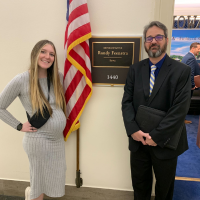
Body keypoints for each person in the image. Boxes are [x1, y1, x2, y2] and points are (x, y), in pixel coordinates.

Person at [122, 21, 191, 200]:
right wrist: (133, 131)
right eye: (150, 38)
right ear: (145, 42)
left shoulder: (182, 71)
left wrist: (157, 137)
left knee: (164, 189)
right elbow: (126, 102)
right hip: (138, 141)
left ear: (166, 40)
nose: (154, 41)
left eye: (158, 37)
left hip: (165, 142)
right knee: (139, 186)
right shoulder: (135, 70)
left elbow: (180, 109)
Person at [0, 40, 67, 200]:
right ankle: (33, 195)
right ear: (35, 54)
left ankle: (31, 194)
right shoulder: (22, 79)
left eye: (52, 54)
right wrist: (18, 125)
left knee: (53, 180)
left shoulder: (57, 77)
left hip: (57, 140)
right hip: (38, 140)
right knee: (39, 185)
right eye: (43, 52)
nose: (47, 57)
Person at [181, 42, 200, 123]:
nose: (199, 51)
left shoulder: (186, 57)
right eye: (198, 49)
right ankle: (182, 120)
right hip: (188, 86)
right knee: (185, 103)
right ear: (193, 48)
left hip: (184, 85)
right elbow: (191, 72)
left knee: (184, 103)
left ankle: (182, 119)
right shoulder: (191, 58)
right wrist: (192, 85)